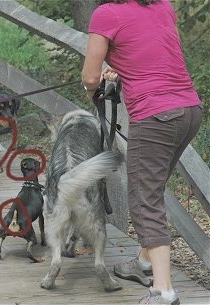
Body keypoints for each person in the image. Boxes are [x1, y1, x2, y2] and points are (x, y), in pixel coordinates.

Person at [82, 0, 203, 304]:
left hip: (155, 115)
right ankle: (143, 262)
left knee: (144, 199)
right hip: (189, 109)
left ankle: (163, 292)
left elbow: (89, 78)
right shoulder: (163, 5)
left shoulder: (106, 14)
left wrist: (93, 91)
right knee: (152, 186)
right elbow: (151, 54)